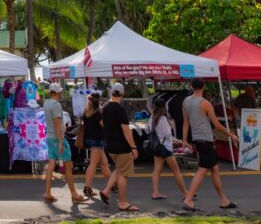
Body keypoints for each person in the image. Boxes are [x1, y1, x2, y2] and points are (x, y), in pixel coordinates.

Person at [182, 78, 239, 212]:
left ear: (191, 86)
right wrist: (231, 135)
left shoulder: (186, 101)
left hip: (197, 138)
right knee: (202, 170)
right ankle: (189, 199)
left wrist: (184, 140)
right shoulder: (206, 103)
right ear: (204, 86)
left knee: (214, 169)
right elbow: (217, 124)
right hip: (205, 139)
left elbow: (185, 122)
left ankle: (224, 200)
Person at [99, 83, 139, 212]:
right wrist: (133, 147)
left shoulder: (104, 107)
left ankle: (106, 191)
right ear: (122, 94)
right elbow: (126, 131)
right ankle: (122, 202)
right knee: (123, 173)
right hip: (121, 146)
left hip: (109, 145)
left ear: (111, 93)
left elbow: (102, 123)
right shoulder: (119, 109)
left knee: (120, 168)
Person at [42, 83, 84, 203]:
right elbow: (57, 123)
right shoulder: (56, 105)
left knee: (51, 166)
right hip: (57, 138)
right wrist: (61, 141)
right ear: (58, 92)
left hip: (49, 137)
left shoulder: (46, 103)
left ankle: (48, 194)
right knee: (68, 166)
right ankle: (74, 194)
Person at [148, 96, 189, 201]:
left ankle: (155, 192)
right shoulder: (163, 118)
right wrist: (171, 126)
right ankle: (185, 193)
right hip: (165, 147)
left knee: (157, 170)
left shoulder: (151, 118)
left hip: (157, 146)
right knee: (176, 171)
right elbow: (167, 133)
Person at [81, 92, 111, 198]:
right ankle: (87, 188)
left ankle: (112, 185)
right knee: (93, 164)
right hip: (97, 140)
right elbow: (105, 126)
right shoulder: (98, 112)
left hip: (90, 140)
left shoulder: (86, 111)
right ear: (99, 101)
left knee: (104, 163)